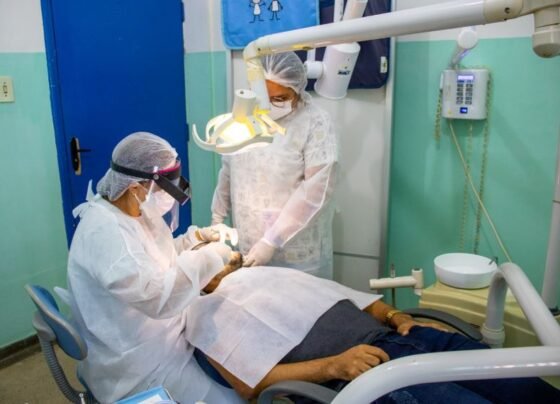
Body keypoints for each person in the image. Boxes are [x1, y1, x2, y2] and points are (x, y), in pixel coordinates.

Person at [185, 267, 560, 403]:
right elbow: (250, 384)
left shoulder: (264, 273)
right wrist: (334, 366)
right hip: (366, 374)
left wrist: (397, 316)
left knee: (527, 388)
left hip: (409, 338)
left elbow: (348, 297)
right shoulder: (202, 316)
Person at [65, 132, 245, 403]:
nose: (166, 198)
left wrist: (196, 238)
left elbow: (153, 254)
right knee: (232, 401)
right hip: (137, 368)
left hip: (156, 339)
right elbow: (159, 299)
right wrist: (212, 256)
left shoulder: (130, 208)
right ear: (136, 188)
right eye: (162, 191)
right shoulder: (106, 233)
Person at [211, 51, 338, 279]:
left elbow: (316, 190)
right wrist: (216, 219)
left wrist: (271, 240)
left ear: (297, 91)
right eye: (264, 97)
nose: (269, 106)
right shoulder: (245, 118)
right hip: (250, 247)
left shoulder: (315, 122)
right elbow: (229, 169)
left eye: (279, 98)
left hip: (298, 255)